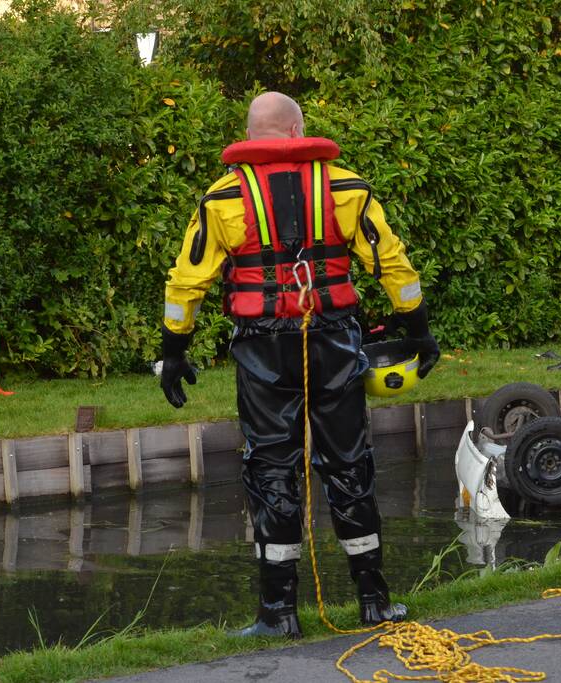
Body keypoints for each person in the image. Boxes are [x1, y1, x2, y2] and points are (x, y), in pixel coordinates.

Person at [159, 92, 440, 638]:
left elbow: (186, 280)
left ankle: (277, 614)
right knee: (348, 462)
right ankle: (374, 603)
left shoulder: (222, 198)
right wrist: (419, 329)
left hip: (263, 348)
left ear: (253, 135)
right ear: (296, 132)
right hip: (333, 339)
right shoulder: (346, 187)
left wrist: (174, 351)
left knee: (270, 466)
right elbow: (393, 264)